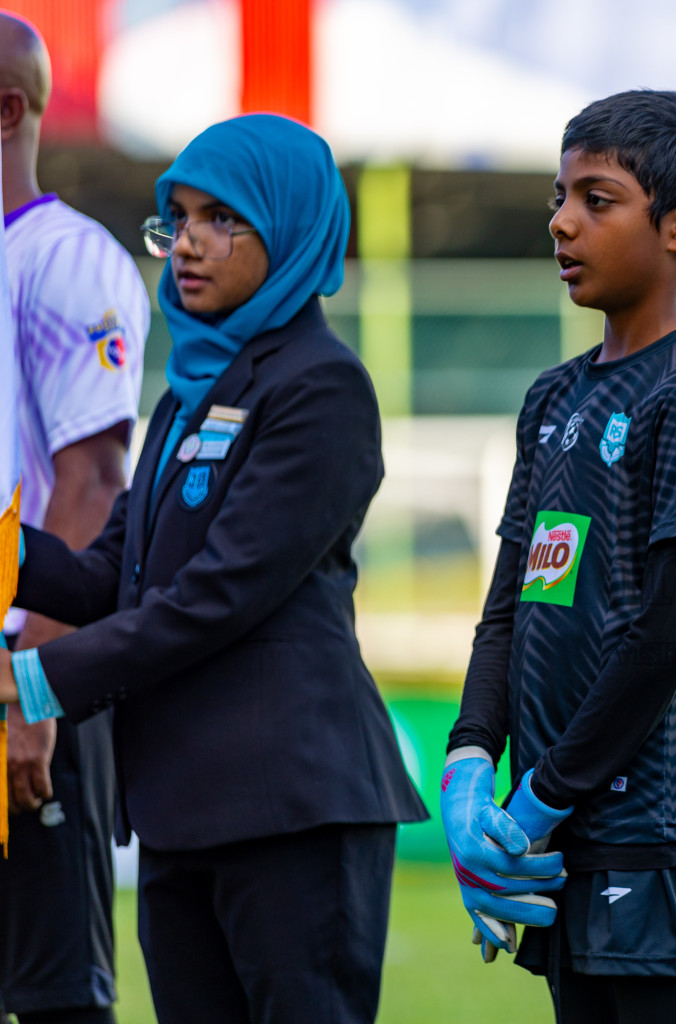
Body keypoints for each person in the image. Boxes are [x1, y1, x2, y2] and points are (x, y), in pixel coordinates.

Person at [0, 113, 427, 1024]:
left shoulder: (322, 385)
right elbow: (106, 572)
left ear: (292, 226)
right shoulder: (192, 390)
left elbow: (217, 595)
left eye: (220, 219)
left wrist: (32, 680)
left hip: (291, 808)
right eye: (177, 218)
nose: (185, 244)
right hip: (179, 811)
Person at [441, 90, 676, 1024]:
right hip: (550, 817)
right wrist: (469, 760)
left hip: (640, 824)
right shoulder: (552, 399)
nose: (561, 221)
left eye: (596, 198)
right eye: (558, 196)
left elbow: (666, 635)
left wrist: (538, 798)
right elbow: (508, 605)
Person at [0, 14, 147, 1024]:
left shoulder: (68, 260)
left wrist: (34, 694)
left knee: (56, 998)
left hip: (21, 682)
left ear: (8, 111)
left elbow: (91, 481)